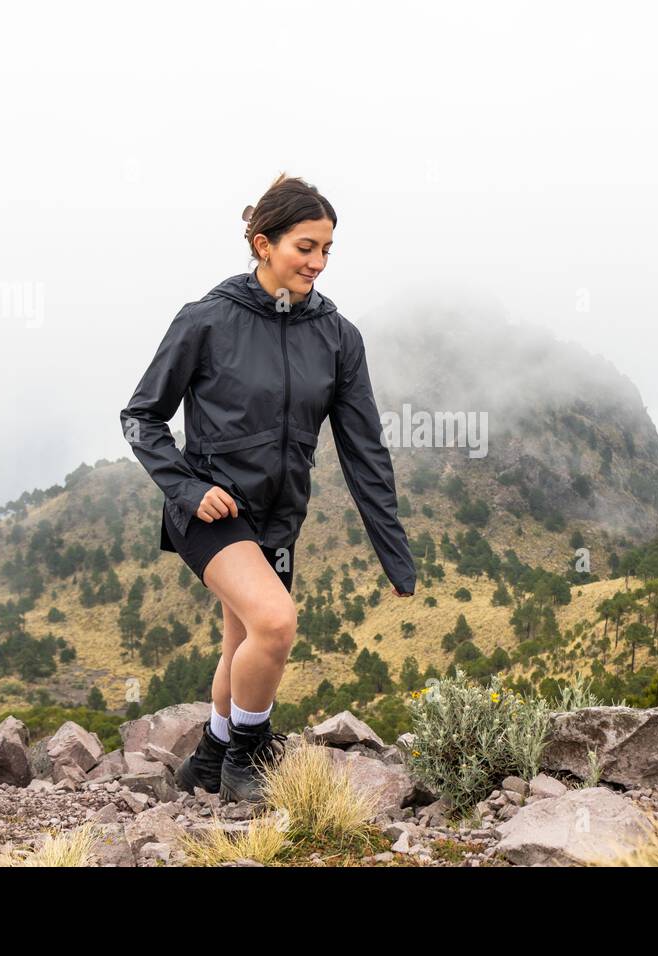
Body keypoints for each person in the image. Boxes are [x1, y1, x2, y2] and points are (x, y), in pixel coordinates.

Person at [119, 173, 417, 804]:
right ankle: (249, 758)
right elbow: (141, 416)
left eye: (327, 249)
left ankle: (208, 758)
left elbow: (364, 450)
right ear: (262, 244)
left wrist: (393, 553)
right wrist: (187, 488)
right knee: (276, 625)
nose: (318, 262)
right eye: (304, 247)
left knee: (244, 640)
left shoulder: (338, 337)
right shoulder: (207, 320)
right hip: (211, 510)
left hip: (280, 518)